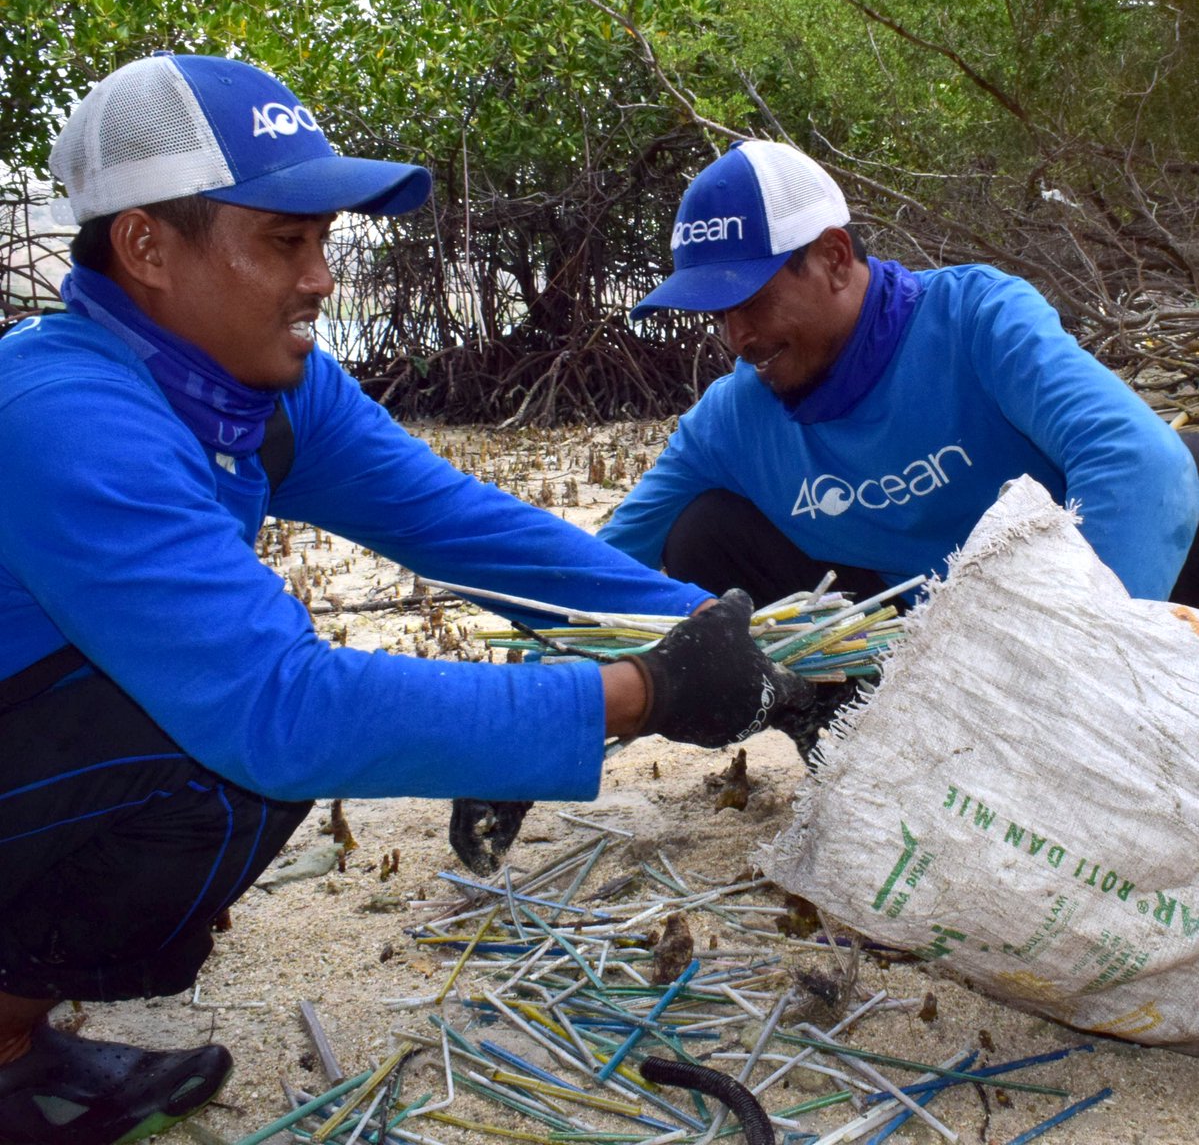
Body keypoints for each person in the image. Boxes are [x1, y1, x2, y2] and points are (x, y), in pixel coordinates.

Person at [0, 57, 812, 1145]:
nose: (323, 278)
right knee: (209, 740)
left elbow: (472, 532)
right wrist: (640, 693)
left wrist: (732, 637)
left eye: (325, 241)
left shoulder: (260, 388)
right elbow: (280, 712)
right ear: (147, 246)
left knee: (215, 723)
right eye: (284, 242)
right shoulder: (63, 412)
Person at [599, 139, 1199, 611]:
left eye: (750, 300)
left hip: (1062, 611)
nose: (736, 338)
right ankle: (842, 725)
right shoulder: (733, 416)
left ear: (833, 259)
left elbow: (1139, 463)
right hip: (907, 660)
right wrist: (531, 679)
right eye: (717, 313)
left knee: (1184, 461)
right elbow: (601, 563)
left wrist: (1075, 661)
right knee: (703, 531)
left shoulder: (977, 319)